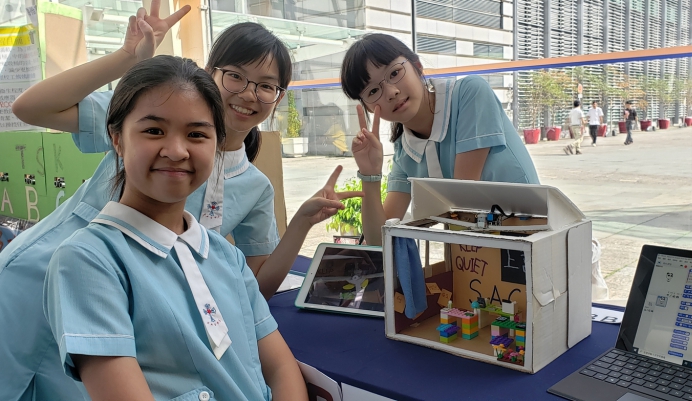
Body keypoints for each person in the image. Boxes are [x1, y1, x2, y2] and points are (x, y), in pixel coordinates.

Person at [3, 5, 352, 399]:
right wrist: (126, 57)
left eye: (266, 85)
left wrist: (302, 222)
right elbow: (30, 107)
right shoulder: (150, 110)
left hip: (139, 311)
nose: (248, 93)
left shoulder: (250, 189)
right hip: (43, 278)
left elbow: (250, 289)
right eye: (236, 75)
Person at [43, 55, 308, 401]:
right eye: (154, 131)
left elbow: (281, 368)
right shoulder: (88, 260)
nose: (176, 150)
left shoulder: (226, 256)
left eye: (196, 134)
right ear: (117, 139)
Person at [339, 33, 540, 246]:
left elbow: (464, 205)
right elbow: (379, 240)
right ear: (368, 107)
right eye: (373, 91)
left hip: (533, 240)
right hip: (478, 254)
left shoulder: (470, 94)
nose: (391, 92)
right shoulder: (404, 150)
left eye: (395, 73)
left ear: (417, 66)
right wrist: (370, 175)